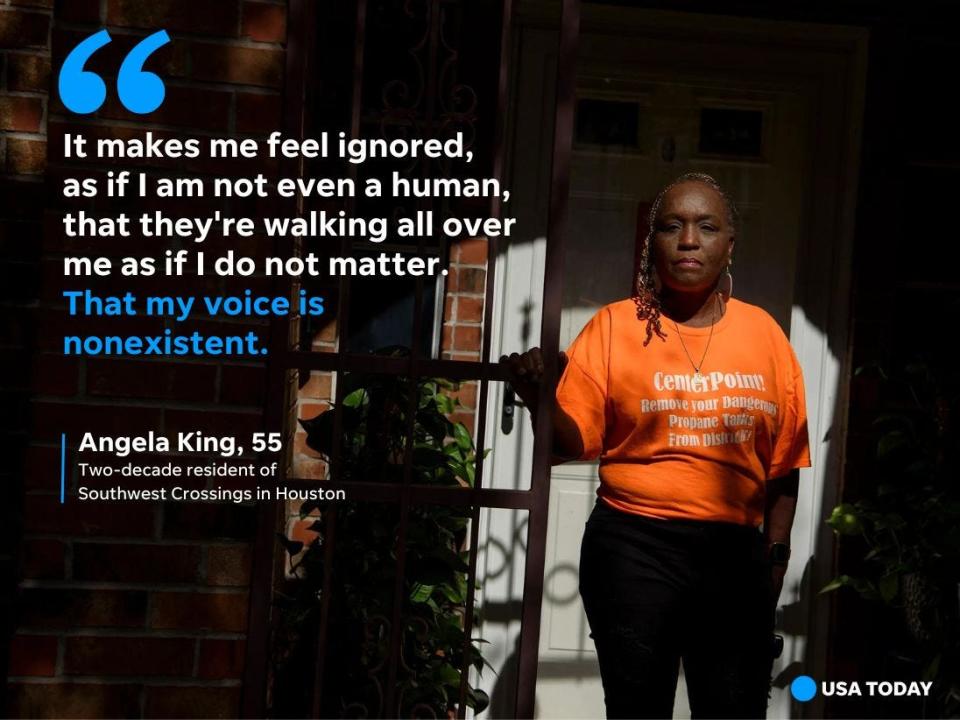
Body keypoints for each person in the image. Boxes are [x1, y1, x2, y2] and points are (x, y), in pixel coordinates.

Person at [500, 172, 811, 719]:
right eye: (673, 226)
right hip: (633, 549)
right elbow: (566, 445)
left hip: (735, 557)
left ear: (729, 243)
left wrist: (774, 559)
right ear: (653, 240)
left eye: (706, 226)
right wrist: (539, 398)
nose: (689, 240)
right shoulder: (614, 327)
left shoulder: (765, 336)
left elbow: (784, 464)